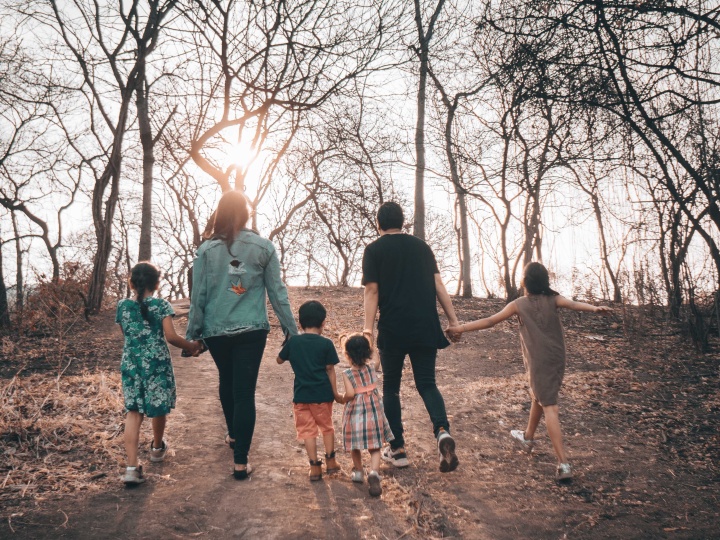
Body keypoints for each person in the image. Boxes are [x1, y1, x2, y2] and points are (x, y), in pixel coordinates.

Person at [446, 262, 613, 481]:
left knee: (549, 405)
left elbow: (490, 321)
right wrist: (594, 308)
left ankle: (563, 464)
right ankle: (527, 437)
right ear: (544, 281)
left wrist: (460, 328)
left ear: (525, 282)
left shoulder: (519, 304)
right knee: (540, 396)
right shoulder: (553, 299)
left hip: (539, 360)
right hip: (557, 358)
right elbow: (573, 304)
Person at [186, 190, 298, 480]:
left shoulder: (206, 250)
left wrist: (193, 335)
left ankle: (234, 435)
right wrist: (291, 330)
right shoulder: (263, 247)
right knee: (244, 391)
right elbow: (278, 293)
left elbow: (198, 295)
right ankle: (240, 461)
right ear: (246, 214)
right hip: (251, 330)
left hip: (216, 330)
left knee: (227, 379)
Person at [361, 201, 460, 473]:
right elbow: (438, 285)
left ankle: (398, 449)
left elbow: (371, 291)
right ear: (402, 222)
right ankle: (442, 431)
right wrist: (453, 320)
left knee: (391, 387)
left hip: (393, 328)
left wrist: (368, 330)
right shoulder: (422, 247)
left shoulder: (373, 250)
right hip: (425, 326)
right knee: (427, 383)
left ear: (378, 223)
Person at [116, 262, 201, 486]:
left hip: (132, 363)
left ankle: (132, 468)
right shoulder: (161, 305)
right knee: (158, 405)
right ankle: (156, 448)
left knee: (133, 411)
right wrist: (192, 346)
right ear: (156, 283)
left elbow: (127, 334)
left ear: (132, 282)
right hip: (156, 363)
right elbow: (171, 337)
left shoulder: (122, 306)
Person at [277, 300, 341, 481]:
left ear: (300, 323)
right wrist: (335, 392)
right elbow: (330, 369)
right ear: (323, 323)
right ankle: (331, 463)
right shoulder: (326, 344)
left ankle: (314, 468)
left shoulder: (294, 342)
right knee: (327, 427)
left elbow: (279, 360)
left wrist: (290, 348)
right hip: (322, 395)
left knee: (307, 431)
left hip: (301, 396)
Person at [335, 333, 394, 497]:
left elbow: (350, 394)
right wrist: (372, 343)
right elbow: (377, 359)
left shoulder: (347, 374)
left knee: (355, 444)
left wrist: (341, 398)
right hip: (373, 411)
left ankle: (359, 471)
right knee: (375, 446)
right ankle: (374, 472)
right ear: (368, 353)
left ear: (347, 355)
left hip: (356, 413)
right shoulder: (371, 367)